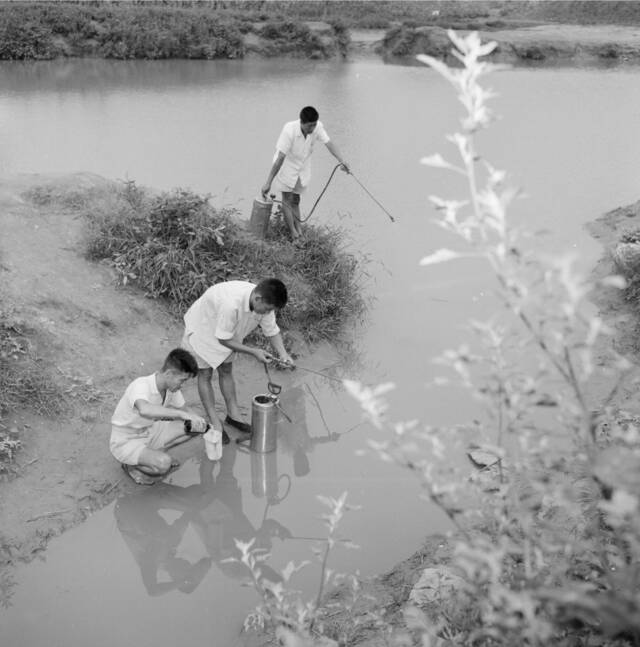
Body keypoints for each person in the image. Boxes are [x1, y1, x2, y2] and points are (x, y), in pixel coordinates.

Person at [181, 278, 294, 444]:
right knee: (205, 374)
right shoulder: (231, 304)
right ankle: (214, 421)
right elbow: (223, 340)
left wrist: (283, 354)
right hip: (204, 328)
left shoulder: (264, 304)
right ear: (258, 299)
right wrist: (253, 352)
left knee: (226, 370)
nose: (267, 313)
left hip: (228, 333)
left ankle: (233, 416)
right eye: (267, 309)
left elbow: (271, 330)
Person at [110, 348, 208, 485]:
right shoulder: (141, 385)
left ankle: (156, 453)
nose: (182, 385)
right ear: (169, 374)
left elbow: (186, 410)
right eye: (182, 380)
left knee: (196, 427)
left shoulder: (172, 389)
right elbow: (144, 409)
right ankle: (130, 465)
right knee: (163, 464)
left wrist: (205, 425)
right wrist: (181, 414)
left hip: (150, 430)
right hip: (126, 440)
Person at [261, 105, 350, 241]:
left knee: (296, 200)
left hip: (303, 167)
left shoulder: (317, 127)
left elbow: (329, 144)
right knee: (287, 199)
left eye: (314, 125)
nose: (312, 129)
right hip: (287, 166)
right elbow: (280, 158)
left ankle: (300, 231)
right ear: (301, 122)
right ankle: (293, 234)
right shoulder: (289, 130)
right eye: (309, 126)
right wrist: (268, 182)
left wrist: (342, 160)